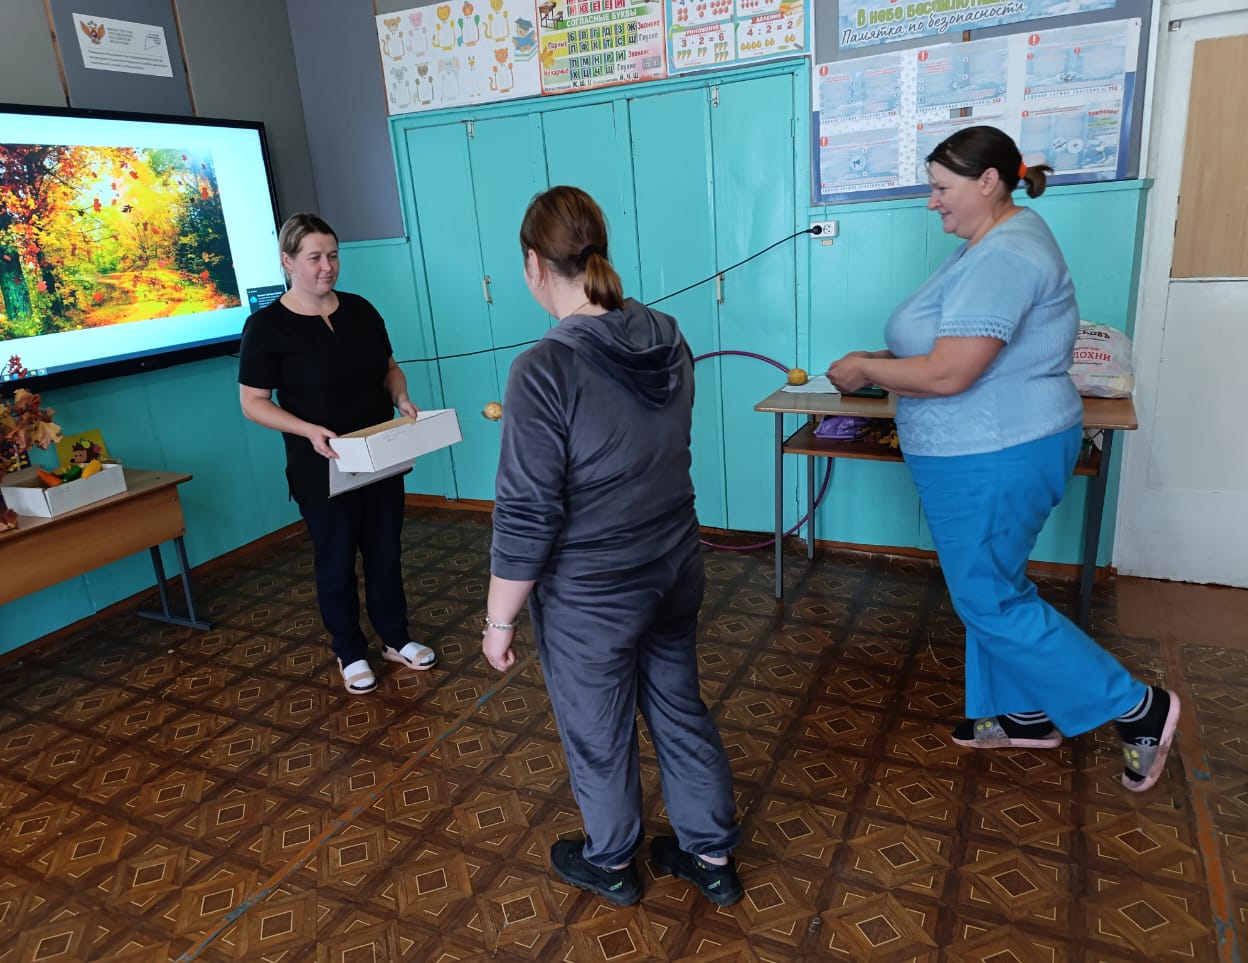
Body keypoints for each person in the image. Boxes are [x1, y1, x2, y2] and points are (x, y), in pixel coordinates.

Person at [826, 126, 1180, 793]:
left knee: (988, 597)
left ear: (988, 181)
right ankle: (1022, 713)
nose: (932, 202)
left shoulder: (1006, 254)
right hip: (984, 448)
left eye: (941, 187)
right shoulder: (992, 242)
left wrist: (867, 368)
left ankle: (1138, 706)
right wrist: (886, 363)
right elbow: (946, 349)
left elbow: (951, 372)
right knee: (993, 587)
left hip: (993, 450)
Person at [481, 186, 743, 906]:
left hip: (593, 593)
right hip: (674, 564)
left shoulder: (543, 368)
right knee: (678, 705)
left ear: (534, 264)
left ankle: (613, 862)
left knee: (598, 732)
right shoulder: (665, 333)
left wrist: (499, 620)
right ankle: (711, 856)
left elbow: (527, 514)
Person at [238, 213, 436, 695]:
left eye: (332, 255)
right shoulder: (266, 326)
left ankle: (396, 638)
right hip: (321, 465)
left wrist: (401, 397)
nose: (326, 266)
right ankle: (350, 651)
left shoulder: (361, 310)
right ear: (288, 261)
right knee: (337, 561)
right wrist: (306, 429)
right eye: (314, 258)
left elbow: (390, 368)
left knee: (385, 553)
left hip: (379, 455)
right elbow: (253, 402)